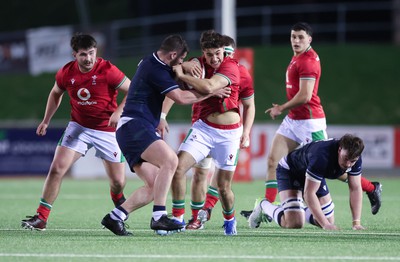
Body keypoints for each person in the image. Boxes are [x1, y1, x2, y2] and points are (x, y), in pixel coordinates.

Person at [240, 22, 381, 220]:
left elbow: (306, 95)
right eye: (293, 37)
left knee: (336, 168)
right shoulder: (298, 56)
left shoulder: (308, 61)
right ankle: (268, 208)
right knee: (273, 161)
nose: (296, 41)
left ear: (309, 40)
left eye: (300, 37)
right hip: (294, 119)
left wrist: (281, 107)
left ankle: (370, 187)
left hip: (310, 121)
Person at [100, 34, 231, 236]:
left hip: (132, 129)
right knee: (171, 160)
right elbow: (179, 97)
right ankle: (159, 217)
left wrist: (185, 65)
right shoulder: (156, 70)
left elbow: (174, 69)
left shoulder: (151, 61)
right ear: (172, 55)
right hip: (135, 126)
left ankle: (116, 216)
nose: (180, 64)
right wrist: (210, 92)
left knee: (154, 186)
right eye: (179, 60)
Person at [21, 33, 131, 231]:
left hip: (107, 130)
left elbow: (133, 90)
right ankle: (41, 218)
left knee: (117, 182)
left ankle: (117, 200)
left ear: (96, 51)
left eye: (91, 53)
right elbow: (55, 93)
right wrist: (46, 121)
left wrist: (118, 112)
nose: (88, 58)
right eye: (83, 54)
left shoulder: (108, 70)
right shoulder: (66, 73)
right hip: (79, 127)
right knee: (57, 169)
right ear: (74, 55)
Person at [169, 30, 242, 236]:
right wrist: (182, 66)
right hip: (203, 129)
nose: (215, 58)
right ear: (203, 53)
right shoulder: (197, 64)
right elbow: (173, 71)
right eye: (210, 55)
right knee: (178, 168)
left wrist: (182, 74)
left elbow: (209, 85)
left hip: (229, 135)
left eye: (218, 53)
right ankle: (177, 218)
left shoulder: (231, 66)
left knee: (223, 187)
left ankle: (229, 219)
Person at [185, 35, 255, 230]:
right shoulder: (201, 66)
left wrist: (247, 132)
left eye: (228, 53)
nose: (223, 59)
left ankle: (208, 210)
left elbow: (250, 105)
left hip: (228, 131)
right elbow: (179, 73)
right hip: (201, 125)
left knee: (223, 177)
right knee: (199, 173)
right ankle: (193, 218)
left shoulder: (241, 72)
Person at [249, 134, 366, 231]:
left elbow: (355, 188)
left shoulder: (355, 157)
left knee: (328, 220)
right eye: (346, 159)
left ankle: (293, 207)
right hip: (291, 171)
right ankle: (263, 205)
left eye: (353, 161)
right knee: (294, 223)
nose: (348, 165)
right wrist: (325, 225)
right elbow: (309, 193)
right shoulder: (321, 156)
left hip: (311, 174)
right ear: (339, 149)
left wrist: (356, 223)